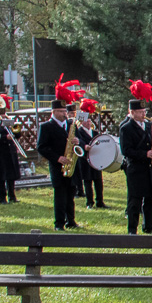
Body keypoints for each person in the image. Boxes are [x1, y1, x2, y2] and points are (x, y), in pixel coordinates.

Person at [36, 99, 81, 231]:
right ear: (54, 112)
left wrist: (78, 140)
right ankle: (59, 223)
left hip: (71, 163)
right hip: (58, 166)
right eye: (61, 111)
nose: (64, 114)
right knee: (60, 195)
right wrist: (57, 158)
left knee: (70, 194)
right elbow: (41, 147)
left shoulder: (71, 124)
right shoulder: (46, 127)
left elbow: (80, 140)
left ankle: (71, 221)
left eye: (64, 111)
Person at [119, 98, 152, 234]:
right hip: (136, 169)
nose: (144, 114)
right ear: (132, 112)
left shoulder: (149, 126)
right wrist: (145, 154)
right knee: (135, 200)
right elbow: (126, 150)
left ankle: (148, 226)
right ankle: (132, 229)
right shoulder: (126, 128)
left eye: (144, 111)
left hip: (151, 168)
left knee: (150, 199)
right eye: (140, 112)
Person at [76, 108, 106, 209]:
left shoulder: (95, 132)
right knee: (88, 181)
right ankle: (89, 202)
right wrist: (84, 146)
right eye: (86, 121)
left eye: (89, 121)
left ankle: (100, 201)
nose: (88, 123)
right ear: (82, 122)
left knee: (98, 181)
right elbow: (78, 141)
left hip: (96, 159)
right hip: (85, 159)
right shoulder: (79, 132)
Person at [0, 107, 22, 204]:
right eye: (0, 115)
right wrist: (5, 137)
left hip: (10, 152)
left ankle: (12, 196)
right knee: (0, 176)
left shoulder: (9, 122)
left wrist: (13, 128)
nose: (2, 117)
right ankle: (2, 198)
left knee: (11, 175)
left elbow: (17, 135)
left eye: (3, 115)